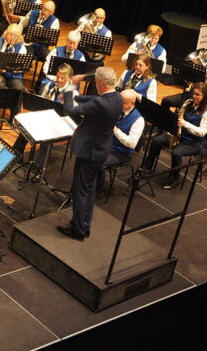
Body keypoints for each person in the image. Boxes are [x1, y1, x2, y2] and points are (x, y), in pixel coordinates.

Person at [58, 67, 123, 240]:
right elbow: (94, 99)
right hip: (101, 149)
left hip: (89, 151)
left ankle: (78, 230)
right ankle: (84, 225)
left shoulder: (101, 103)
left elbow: (70, 111)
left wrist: (70, 88)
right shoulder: (116, 97)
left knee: (80, 190)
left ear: (100, 82)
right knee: (90, 188)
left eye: (96, 82)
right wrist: (74, 96)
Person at [142, 83, 207, 190]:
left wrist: (185, 124)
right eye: (193, 94)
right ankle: (147, 167)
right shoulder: (189, 104)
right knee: (157, 141)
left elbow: (202, 132)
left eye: (198, 95)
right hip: (181, 135)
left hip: (195, 142)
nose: (194, 97)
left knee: (177, 152)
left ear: (205, 96)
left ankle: (175, 178)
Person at [162, 43, 207, 109]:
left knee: (185, 112)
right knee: (166, 101)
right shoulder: (205, 63)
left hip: (205, 102)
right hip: (191, 95)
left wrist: (201, 93)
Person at [103, 89, 144, 196]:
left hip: (122, 152)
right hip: (107, 144)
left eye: (123, 102)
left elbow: (132, 144)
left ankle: (97, 189)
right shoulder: (117, 109)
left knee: (99, 161)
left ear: (132, 103)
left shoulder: (138, 120)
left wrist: (116, 130)